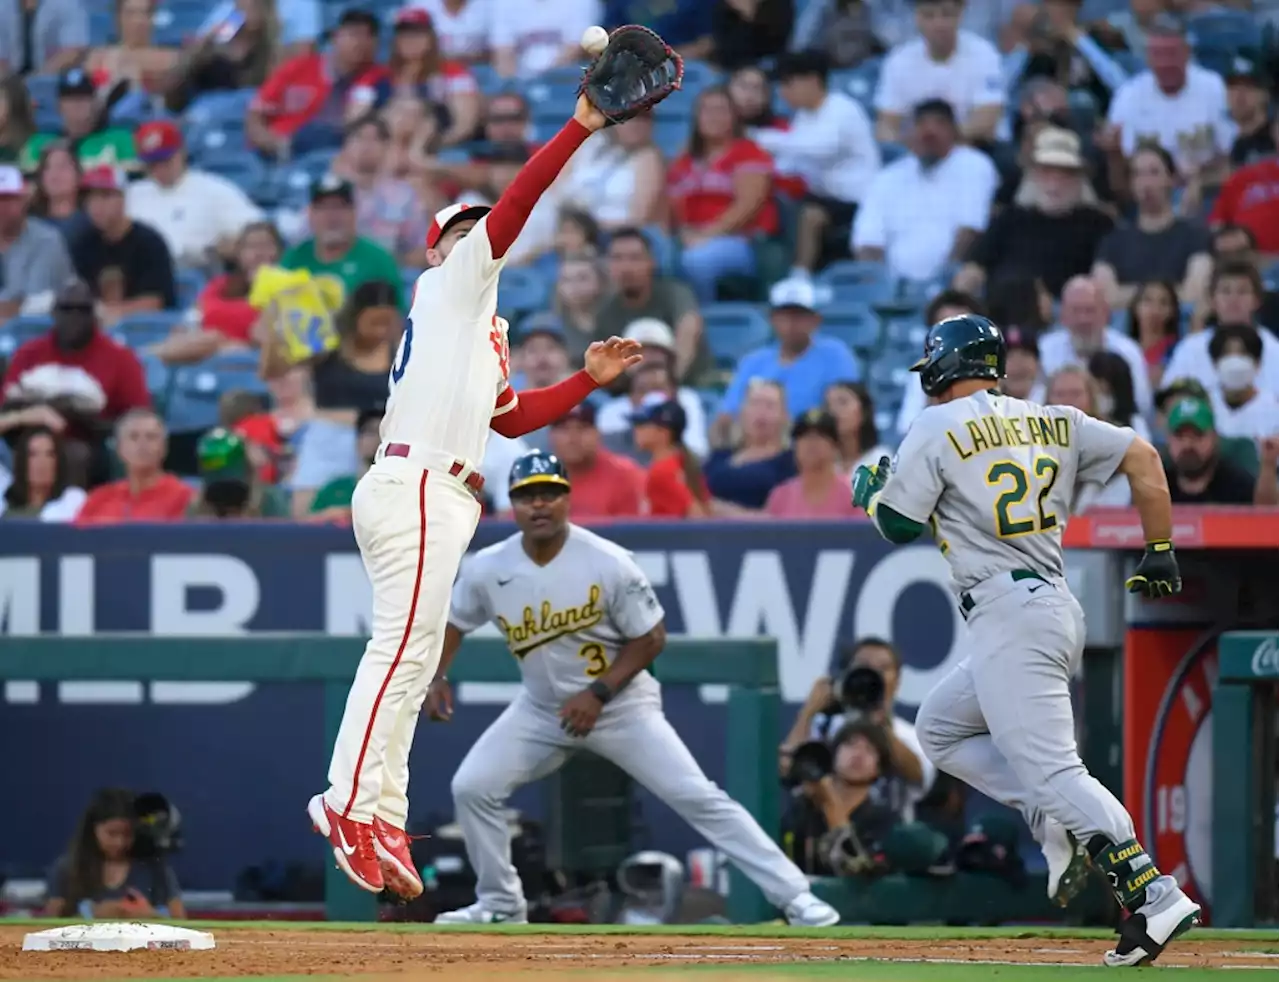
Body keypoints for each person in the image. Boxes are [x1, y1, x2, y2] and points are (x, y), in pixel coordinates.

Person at [308, 92, 648, 897]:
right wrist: (584, 127)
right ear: (438, 255)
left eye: (476, 232)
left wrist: (585, 381)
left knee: (415, 654)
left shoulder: (480, 332)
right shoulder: (452, 288)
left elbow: (510, 418)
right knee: (398, 651)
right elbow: (522, 201)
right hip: (419, 483)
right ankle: (346, 801)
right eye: (460, 234)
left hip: (433, 488)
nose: (476, 239)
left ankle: (382, 811)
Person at [849, 313, 1201, 967]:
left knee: (1057, 769)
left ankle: (1153, 894)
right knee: (939, 730)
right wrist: (1159, 547)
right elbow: (1144, 457)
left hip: (1011, 614)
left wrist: (868, 495)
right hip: (1045, 605)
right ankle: (1053, 818)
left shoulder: (936, 423)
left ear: (945, 367)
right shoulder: (1053, 418)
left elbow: (897, 526)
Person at [424, 450, 841, 928]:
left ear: (567, 499)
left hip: (621, 707)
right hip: (541, 709)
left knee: (697, 796)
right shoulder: (488, 566)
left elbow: (651, 638)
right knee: (473, 787)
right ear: (512, 506)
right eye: (527, 496)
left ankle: (796, 897)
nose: (539, 505)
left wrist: (598, 693)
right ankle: (501, 903)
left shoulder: (607, 561)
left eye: (550, 493)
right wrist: (437, 675)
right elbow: (453, 622)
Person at [780, 720, 900, 877]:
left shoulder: (883, 819)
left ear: (879, 767)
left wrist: (830, 801)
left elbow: (857, 865)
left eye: (870, 750)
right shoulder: (804, 807)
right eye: (851, 745)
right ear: (834, 754)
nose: (858, 755)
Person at [43, 788, 185, 920]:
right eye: (112, 833)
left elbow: (183, 926)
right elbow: (48, 927)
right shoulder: (67, 868)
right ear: (93, 829)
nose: (120, 842)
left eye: (128, 834)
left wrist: (150, 916)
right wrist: (90, 913)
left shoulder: (156, 868)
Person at [76, 408, 194, 523]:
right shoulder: (98, 499)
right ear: (119, 448)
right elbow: (76, 540)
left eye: (151, 437)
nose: (142, 444)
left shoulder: (185, 498)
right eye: (133, 437)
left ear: (164, 447)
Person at [1163, 395, 1278, 505]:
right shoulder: (1158, 484)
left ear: (1214, 437)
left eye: (1197, 435)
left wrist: (1268, 464)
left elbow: (1266, 515)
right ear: (1168, 439)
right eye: (1179, 437)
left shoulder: (1237, 484)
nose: (1187, 444)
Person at [703, 377, 795, 514]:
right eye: (755, 403)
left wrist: (727, 512)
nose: (761, 412)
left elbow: (784, 516)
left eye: (770, 405)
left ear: (784, 416)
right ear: (742, 411)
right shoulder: (719, 455)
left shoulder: (790, 461)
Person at [765, 409, 858, 518]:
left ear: (835, 446)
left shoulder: (854, 497)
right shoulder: (780, 497)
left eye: (821, 435)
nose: (811, 442)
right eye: (803, 436)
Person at [630, 396, 710, 518]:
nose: (635, 430)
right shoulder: (682, 460)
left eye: (641, 424)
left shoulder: (662, 471)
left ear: (663, 432)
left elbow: (697, 516)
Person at [0, 425, 85, 520]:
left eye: (49, 455)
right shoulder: (4, 507)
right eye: (33, 454)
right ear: (22, 461)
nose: (41, 462)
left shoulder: (73, 503)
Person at [824, 381, 890, 474]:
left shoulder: (879, 460)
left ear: (864, 412)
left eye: (842, 402)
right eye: (828, 405)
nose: (834, 411)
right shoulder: (821, 463)